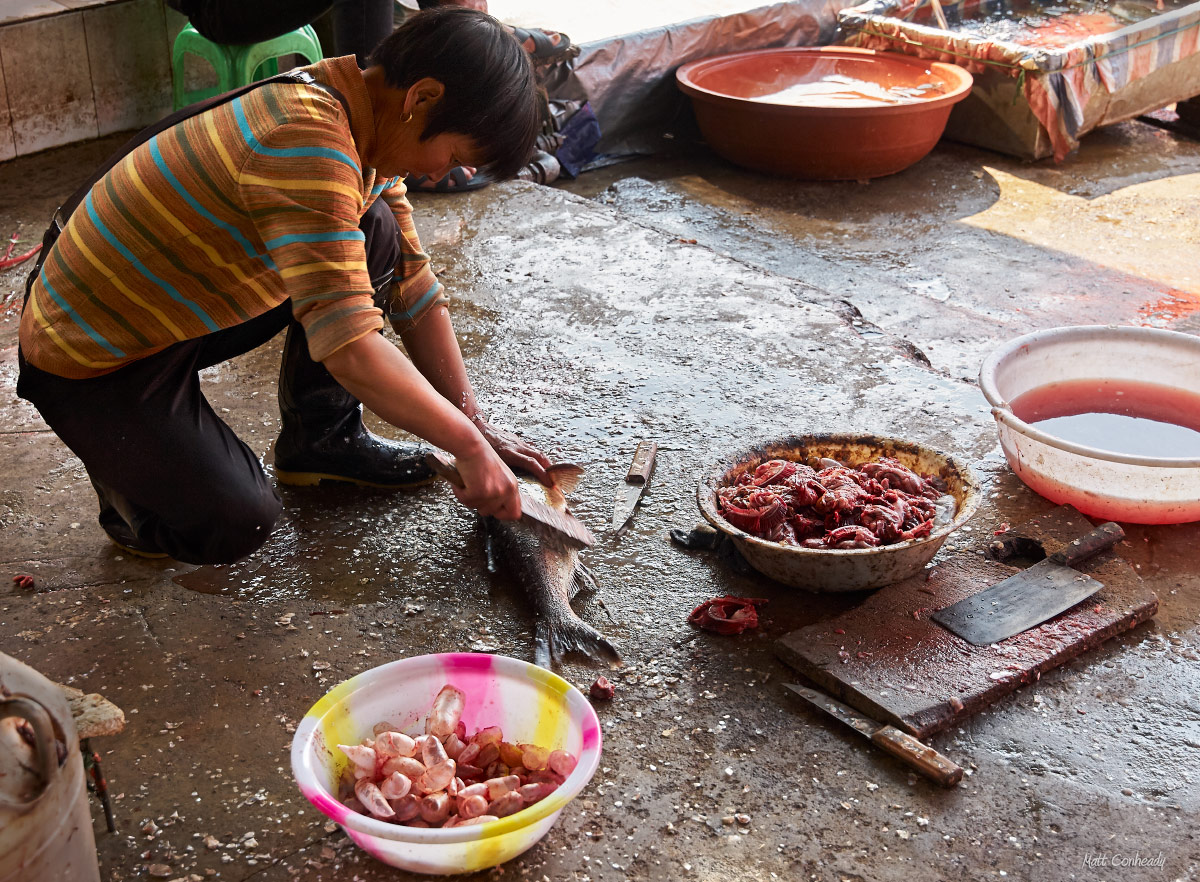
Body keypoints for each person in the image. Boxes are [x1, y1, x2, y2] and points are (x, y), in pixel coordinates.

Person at [17, 7, 552, 565]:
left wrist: (472, 422)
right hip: (93, 354)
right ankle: (134, 497)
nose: (443, 176)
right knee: (233, 522)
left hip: (173, 308)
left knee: (377, 232)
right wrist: (464, 447)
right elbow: (351, 349)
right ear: (421, 98)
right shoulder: (307, 140)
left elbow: (413, 284)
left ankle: (324, 445)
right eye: (454, 157)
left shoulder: (360, 113)